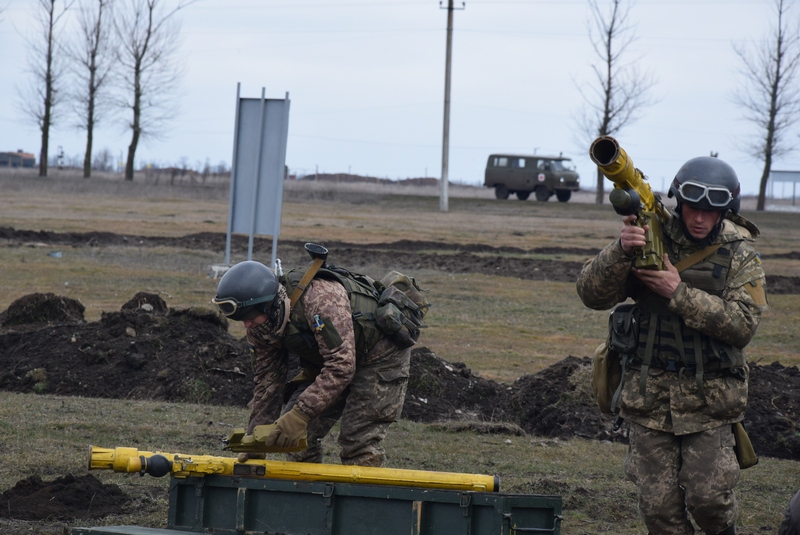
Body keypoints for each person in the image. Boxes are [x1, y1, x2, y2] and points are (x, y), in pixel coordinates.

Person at [576, 156, 768, 535]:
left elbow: (743, 325)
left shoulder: (740, 253)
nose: (699, 219)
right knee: (658, 511)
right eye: (693, 208)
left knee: (709, 501)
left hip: (710, 401)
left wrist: (677, 293)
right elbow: (591, 295)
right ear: (679, 203)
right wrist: (621, 250)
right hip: (649, 397)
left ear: (725, 211)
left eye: (710, 212)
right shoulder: (653, 238)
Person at [212, 256, 412, 467]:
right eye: (241, 319)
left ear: (268, 306)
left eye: (250, 316)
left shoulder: (321, 299)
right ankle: (310, 498)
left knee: (358, 445)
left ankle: (365, 500)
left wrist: (301, 414)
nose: (247, 324)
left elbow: (341, 366)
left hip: (378, 357)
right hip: (331, 362)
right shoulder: (260, 326)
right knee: (295, 440)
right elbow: (267, 381)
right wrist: (256, 439)